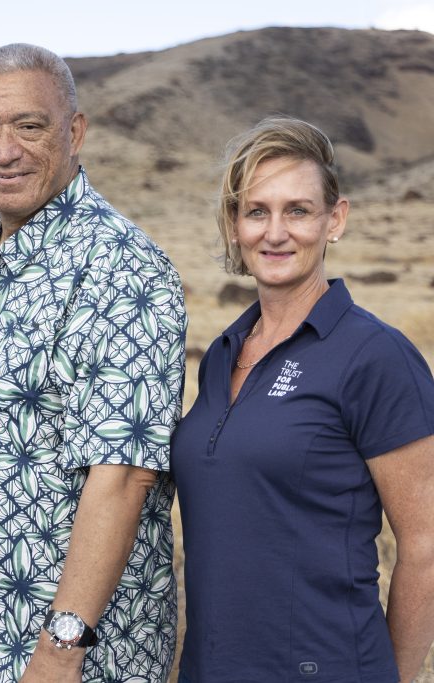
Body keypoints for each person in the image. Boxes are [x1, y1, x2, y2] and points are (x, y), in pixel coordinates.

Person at [0, 43, 186, 682]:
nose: (3, 150)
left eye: (29, 126)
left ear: (74, 132)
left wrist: (59, 652)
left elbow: (123, 478)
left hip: (51, 660)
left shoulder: (120, 269)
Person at [171, 116, 434, 682]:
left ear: (334, 219)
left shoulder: (375, 356)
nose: (275, 233)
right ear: (235, 225)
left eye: (298, 210)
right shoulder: (220, 356)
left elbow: (425, 547)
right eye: (256, 211)